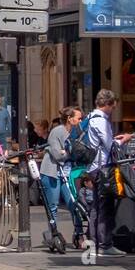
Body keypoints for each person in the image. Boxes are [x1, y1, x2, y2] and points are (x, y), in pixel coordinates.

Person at [83, 89, 131, 258]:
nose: (113, 110)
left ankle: (94, 243)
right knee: (106, 207)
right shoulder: (101, 121)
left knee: (96, 206)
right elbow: (110, 146)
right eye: (113, 107)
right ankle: (105, 245)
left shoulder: (89, 117)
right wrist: (123, 140)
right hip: (103, 168)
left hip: (92, 167)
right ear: (108, 104)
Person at [41, 106, 85, 247]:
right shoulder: (56, 132)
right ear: (69, 119)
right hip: (52, 173)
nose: (81, 120)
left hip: (67, 174)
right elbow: (57, 155)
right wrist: (69, 152)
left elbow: (78, 151)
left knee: (74, 204)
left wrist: (66, 151)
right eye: (78, 118)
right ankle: (54, 235)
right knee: (53, 206)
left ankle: (79, 235)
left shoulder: (78, 131)